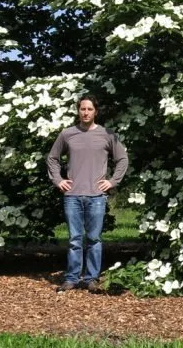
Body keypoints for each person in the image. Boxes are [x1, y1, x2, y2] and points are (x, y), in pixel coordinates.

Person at [46, 94, 129, 293]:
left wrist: (112, 181)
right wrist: (58, 180)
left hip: (97, 196)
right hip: (72, 195)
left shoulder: (107, 134)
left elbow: (122, 159)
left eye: (89, 109)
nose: (85, 112)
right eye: (82, 109)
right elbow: (52, 158)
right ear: (78, 111)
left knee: (94, 239)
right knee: (75, 239)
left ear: (96, 112)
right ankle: (72, 278)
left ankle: (91, 278)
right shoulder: (67, 134)